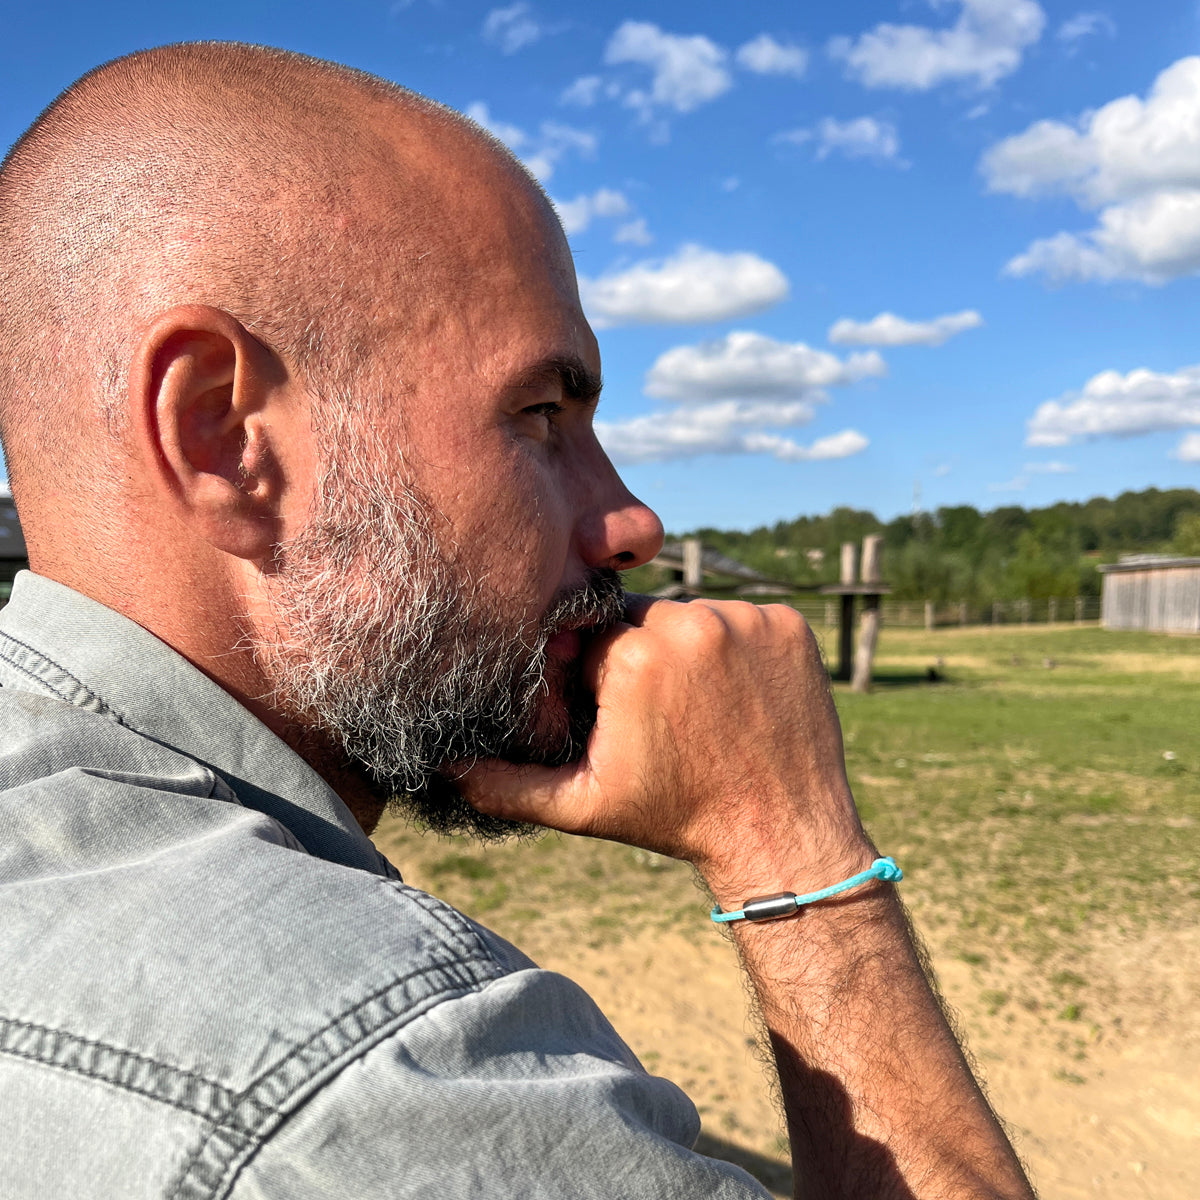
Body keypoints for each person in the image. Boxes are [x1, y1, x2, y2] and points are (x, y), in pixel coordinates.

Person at [0, 43, 1036, 1200]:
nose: (632, 521)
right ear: (223, 436)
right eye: (541, 412)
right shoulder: (371, 1087)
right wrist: (786, 837)